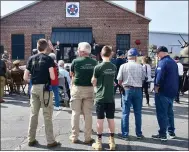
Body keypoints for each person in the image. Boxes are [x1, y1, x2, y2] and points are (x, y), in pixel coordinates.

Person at [23, 39, 60, 147]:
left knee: (33, 114)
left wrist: (34, 80)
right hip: (45, 89)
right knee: (47, 115)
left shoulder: (31, 59)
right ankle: (50, 141)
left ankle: (31, 138)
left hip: (34, 88)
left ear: (37, 47)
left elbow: (25, 77)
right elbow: (53, 76)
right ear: (46, 48)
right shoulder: (49, 59)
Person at [69, 42, 97, 144]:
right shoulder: (95, 62)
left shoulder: (75, 61)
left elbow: (71, 75)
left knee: (75, 113)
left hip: (77, 89)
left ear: (81, 51)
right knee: (88, 113)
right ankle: (87, 137)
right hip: (89, 89)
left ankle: (74, 137)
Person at [91, 46, 117, 150]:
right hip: (110, 97)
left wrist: (95, 86)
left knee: (100, 120)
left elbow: (94, 81)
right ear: (111, 54)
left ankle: (99, 142)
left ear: (101, 54)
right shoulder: (113, 67)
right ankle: (112, 141)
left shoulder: (98, 67)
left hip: (100, 97)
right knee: (111, 119)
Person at [117, 48, 145, 140]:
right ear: (136, 57)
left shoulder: (123, 66)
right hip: (138, 90)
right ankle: (139, 133)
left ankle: (125, 134)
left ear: (128, 56)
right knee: (138, 113)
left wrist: (123, 86)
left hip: (127, 90)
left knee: (125, 112)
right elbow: (143, 79)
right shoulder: (141, 66)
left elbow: (119, 81)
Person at [152, 46, 179, 141]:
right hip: (172, 91)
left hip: (162, 91)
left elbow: (159, 77)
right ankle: (171, 132)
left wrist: (156, 88)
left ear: (161, 52)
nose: (157, 55)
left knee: (162, 113)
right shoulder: (173, 62)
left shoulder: (163, 62)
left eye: (157, 53)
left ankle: (162, 133)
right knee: (169, 112)